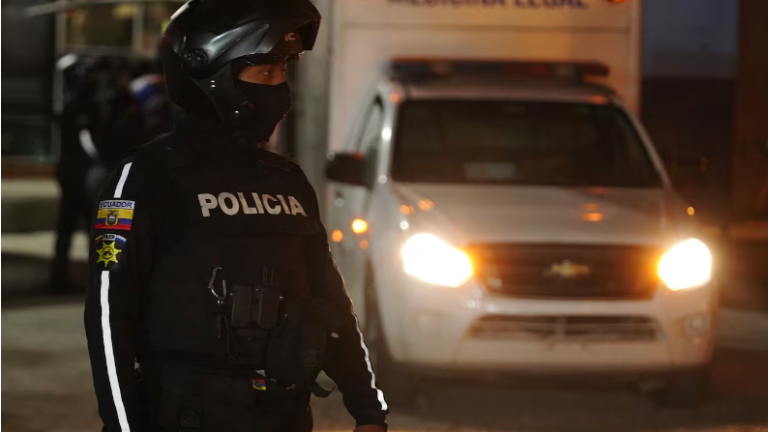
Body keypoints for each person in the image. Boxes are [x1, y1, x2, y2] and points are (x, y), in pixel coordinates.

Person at [83, 1, 388, 431]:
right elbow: (109, 313)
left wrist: (369, 411)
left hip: (285, 418)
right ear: (212, 77)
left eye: (283, 72)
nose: (280, 89)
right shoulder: (149, 176)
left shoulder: (287, 181)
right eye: (265, 73)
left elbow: (330, 303)